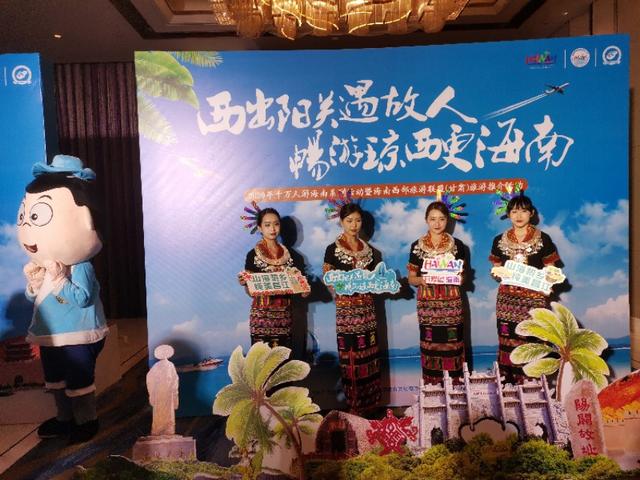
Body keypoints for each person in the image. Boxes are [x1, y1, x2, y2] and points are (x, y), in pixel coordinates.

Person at [17, 154, 108, 444]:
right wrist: (36, 283)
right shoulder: (47, 264)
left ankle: (86, 420)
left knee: (79, 380)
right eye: (26, 217)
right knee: (55, 379)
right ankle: (64, 418)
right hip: (51, 335)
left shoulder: (80, 267)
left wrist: (58, 280)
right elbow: (40, 298)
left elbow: (81, 298)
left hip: (77, 335)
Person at [489, 193, 562, 384]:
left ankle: (533, 384)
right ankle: (508, 384)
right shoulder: (499, 240)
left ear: (532, 213)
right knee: (507, 339)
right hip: (507, 300)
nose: (519, 215)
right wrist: (498, 273)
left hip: (534, 298)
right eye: (514, 211)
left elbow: (551, 268)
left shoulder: (543, 238)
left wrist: (549, 282)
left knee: (532, 339)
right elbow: (495, 269)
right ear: (508, 215)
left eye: (523, 211)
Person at [323, 203, 381, 414]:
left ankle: (371, 407)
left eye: (358, 220)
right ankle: (354, 407)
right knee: (351, 358)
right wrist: (343, 287)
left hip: (367, 311)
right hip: (347, 312)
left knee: (369, 355)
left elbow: (376, 280)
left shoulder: (371, 252)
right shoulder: (332, 250)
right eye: (349, 221)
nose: (354, 225)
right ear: (341, 222)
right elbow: (328, 279)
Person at [407, 201, 467, 385]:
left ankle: (456, 389)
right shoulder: (417, 246)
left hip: (451, 302)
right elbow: (411, 278)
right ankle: (432, 388)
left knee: (453, 344)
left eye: (441, 219)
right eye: (433, 219)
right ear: (426, 220)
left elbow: (463, 277)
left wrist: (457, 278)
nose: (437, 223)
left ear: (447, 220)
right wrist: (421, 280)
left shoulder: (458, 245)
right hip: (427, 303)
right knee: (430, 345)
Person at [238, 207, 307, 348]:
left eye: (276, 224)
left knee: (284, 357)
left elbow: (301, 290)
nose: (273, 229)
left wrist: (304, 289)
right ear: (260, 228)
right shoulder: (253, 255)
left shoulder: (293, 256)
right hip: (261, 316)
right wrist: (246, 284)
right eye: (267, 225)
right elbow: (250, 292)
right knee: (261, 358)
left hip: (284, 316)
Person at [147, 344, 179, 436]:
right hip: (161, 391)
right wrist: (153, 392)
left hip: (167, 392)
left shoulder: (169, 365)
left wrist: (174, 392)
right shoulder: (159, 366)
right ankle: (159, 430)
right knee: (160, 410)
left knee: (167, 411)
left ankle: (167, 430)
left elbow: (174, 380)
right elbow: (150, 379)